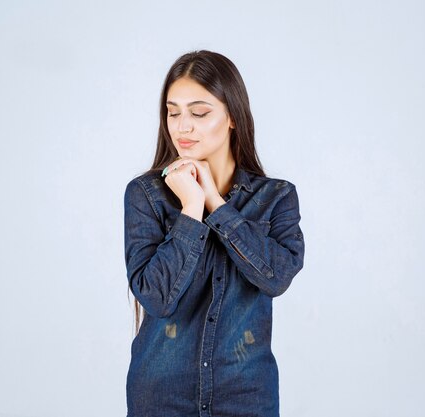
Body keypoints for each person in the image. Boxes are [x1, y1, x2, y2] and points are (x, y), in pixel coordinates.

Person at [123, 50, 305, 417]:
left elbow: (277, 277)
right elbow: (156, 298)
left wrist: (216, 206)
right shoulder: (145, 195)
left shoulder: (276, 197)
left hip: (246, 395)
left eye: (199, 112)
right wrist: (191, 208)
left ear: (233, 116)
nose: (182, 126)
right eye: (173, 112)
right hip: (161, 397)